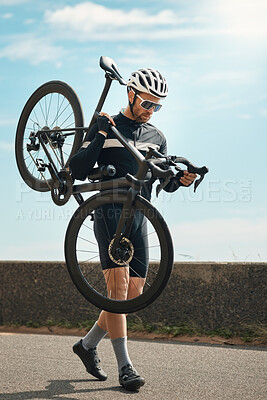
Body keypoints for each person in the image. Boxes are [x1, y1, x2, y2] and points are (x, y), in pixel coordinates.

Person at [69, 68, 196, 391]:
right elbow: (78, 168)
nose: (150, 110)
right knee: (118, 288)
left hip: (140, 214)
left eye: (157, 107)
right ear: (130, 94)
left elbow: (162, 179)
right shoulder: (107, 125)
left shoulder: (157, 136)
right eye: (147, 103)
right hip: (109, 211)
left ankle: (86, 345)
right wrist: (99, 133)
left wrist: (179, 180)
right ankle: (125, 366)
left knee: (133, 294)